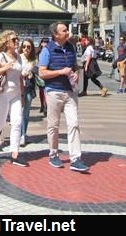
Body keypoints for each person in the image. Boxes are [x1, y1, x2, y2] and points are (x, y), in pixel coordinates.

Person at [38, 22, 89, 173]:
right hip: (54, 91)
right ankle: (53, 154)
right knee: (53, 125)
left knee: (74, 123)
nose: (68, 32)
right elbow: (42, 73)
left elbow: (74, 66)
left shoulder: (71, 47)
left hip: (70, 91)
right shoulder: (47, 50)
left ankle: (75, 159)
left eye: (67, 30)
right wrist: (61, 71)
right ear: (56, 34)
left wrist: (76, 74)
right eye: (64, 30)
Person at [0, 30, 27, 167]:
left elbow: (19, 76)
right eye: (14, 40)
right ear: (6, 42)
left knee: (17, 122)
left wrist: (22, 93)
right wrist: (4, 68)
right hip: (2, 94)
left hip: (16, 95)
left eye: (17, 39)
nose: (17, 41)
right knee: (0, 123)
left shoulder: (18, 57)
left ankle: (15, 154)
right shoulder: (1, 56)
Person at [19, 38, 39, 148]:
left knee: (25, 112)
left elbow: (36, 70)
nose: (26, 49)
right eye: (24, 46)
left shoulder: (34, 59)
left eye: (28, 47)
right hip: (19, 87)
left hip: (29, 87)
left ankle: (23, 135)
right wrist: (23, 73)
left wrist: (32, 73)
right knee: (19, 112)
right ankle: (18, 133)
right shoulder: (18, 58)